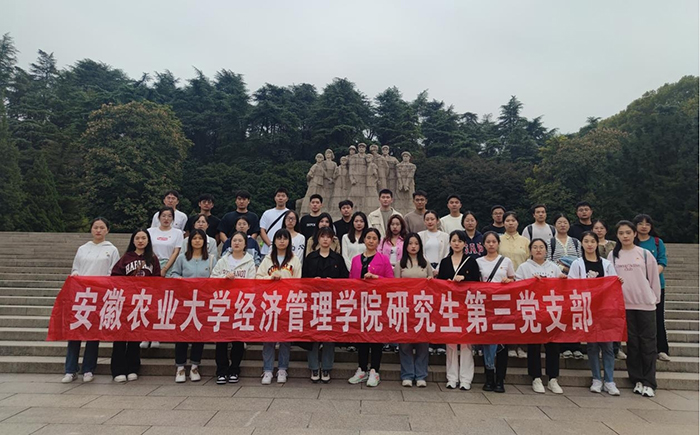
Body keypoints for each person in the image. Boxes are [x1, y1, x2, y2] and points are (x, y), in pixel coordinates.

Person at [63, 217, 119, 384]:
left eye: (102, 227)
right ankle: (70, 369)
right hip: (82, 295)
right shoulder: (83, 249)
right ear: (91, 229)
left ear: (107, 230)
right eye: (95, 227)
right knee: (75, 332)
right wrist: (76, 276)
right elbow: (76, 268)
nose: (98, 230)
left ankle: (88, 368)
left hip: (99, 295)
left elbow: (113, 273)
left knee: (93, 333)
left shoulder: (112, 250)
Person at [608, 221, 661, 398]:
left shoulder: (644, 254)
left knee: (648, 343)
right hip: (625, 305)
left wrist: (654, 299)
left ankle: (649, 382)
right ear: (617, 236)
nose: (625, 236)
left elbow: (654, 279)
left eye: (628, 232)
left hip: (645, 304)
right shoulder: (613, 255)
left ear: (634, 234)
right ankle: (636, 379)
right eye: (621, 233)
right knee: (632, 344)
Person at [568, 231, 621, 396]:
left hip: (605, 309)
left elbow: (613, 283)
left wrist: (618, 282)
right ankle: (596, 379)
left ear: (597, 243)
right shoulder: (577, 264)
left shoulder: (606, 264)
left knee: (608, 346)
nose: (589, 244)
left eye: (592, 241)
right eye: (586, 241)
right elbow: (571, 284)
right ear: (582, 244)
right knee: (592, 346)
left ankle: (610, 380)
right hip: (587, 309)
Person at [515, 238, 567, 394]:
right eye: (535, 247)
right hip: (533, 311)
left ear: (546, 250)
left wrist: (563, 280)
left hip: (551, 311)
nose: (538, 250)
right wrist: (531, 282)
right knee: (534, 345)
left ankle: (552, 378)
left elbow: (563, 288)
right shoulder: (524, 267)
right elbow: (516, 287)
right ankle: (536, 377)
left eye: (541, 247)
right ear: (530, 250)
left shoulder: (554, 267)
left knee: (553, 345)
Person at [110, 229, 161, 383]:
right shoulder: (126, 258)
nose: (140, 241)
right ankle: (118, 369)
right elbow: (115, 276)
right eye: (137, 238)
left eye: (143, 238)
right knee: (120, 336)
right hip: (125, 302)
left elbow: (157, 280)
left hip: (142, 302)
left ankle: (133, 368)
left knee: (135, 336)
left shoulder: (152, 259)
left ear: (148, 240)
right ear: (133, 240)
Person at [347, 228, 394, 387]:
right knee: (361, 337)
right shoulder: (355, 260)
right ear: (364, 240)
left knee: (376, 338)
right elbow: (351, 280)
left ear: (378, 241)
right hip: (360, 303)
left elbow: (391, 281)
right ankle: (361, 369)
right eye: (368, 237)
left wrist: (376, 278)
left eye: (374, 238)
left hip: (377, 303)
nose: (371, 241)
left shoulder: (384, 259)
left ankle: (375, 370)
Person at [302, 227, 349, 383]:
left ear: (332, 239)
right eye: (322, 236)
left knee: (329, 335)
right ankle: (314, 367)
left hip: (331, 303)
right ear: (318, 239)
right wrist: (312, 281)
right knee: (313, 335)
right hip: (313, 302)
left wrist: (333, 283)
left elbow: (345, 279)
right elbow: (303, 280)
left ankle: (327, 367)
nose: (325, 239)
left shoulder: (338, 259)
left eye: (328, 237)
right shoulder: (310, 258)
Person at [256, 229, 302, 384]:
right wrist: (270, 277)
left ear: (289, 241)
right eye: (279, 238)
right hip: (269, 303)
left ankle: (282, 369)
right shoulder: (268, 259)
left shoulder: (295, 260)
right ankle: (268, 370)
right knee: (268, 338)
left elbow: (298, 281)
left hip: (287, 302)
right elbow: (258, 278)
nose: (282, 241)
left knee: (285, 339)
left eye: (285, 238)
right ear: (274, 241)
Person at [437, 230, 481, 390]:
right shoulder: (444, 262)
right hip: (449, 305)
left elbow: (477, 283)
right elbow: (439, 283)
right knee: (450, 343)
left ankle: (466, 379)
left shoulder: (471, 261)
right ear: (450, 242)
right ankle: (451, 377)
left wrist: (465, 279)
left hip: (466, 305)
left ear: (464, 244)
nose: (456, 243)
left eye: (460, 241)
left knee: (466, 343)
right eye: (454, 240)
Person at [211, 231, 256, 384]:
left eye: (240, 241)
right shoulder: (223, 260)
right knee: (221, 340)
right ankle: (221, 371)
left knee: (238, 339)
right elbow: (213, 278)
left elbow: (252, 283)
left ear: (245, 244)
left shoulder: (250, 262)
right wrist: (224, 278)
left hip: (241, 305)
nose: (236, 243)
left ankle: (234, 369)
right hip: (223, 304)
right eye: (234, 240)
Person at [170, 229, 213, 383]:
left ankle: (195, 366)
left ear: (204, 242)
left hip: (202, 302)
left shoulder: (210, 259)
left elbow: (215, 277)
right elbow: (174, 274)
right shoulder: (182, 258)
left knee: (198, 334)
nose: (197, 241)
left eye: (200, 238)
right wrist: (182, 280)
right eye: (194, 238)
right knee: (182, 334)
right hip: (184, 301)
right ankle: (180, 367)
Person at [476, 231, 514, 393]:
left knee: (502, 343)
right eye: (488, 242)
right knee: (487, 343)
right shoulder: (478, 262)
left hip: (503, 306)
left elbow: (513, 279)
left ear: (498, 243)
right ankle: (489, 377)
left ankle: (500, 379)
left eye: (494, 241)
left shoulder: (506, 261)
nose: (491, 244)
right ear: (483, 244)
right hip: (485, 306)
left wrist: (509, 281)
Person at [634, 214, 670, 362]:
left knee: (658, 318)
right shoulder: (632, 242)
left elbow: (662, 261)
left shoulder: (657, 242)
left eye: (647, 224)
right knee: (638, 320)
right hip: (636, 286)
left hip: (656, 285)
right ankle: (642, 350)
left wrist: (651, 276)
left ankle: (662, 349)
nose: (644, 226)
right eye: (640, 223)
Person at [145, 207, 183, 349]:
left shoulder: (177, 233)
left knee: (162, 302)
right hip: (150, 266)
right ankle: (146, 335)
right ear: (158, 217)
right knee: (149, 302)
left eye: (169, 216)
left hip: (169, 267)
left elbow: (176, 251)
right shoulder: (150, 231)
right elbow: (147, 250)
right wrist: (154, 267)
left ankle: (157, 335)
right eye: (163, 216)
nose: (166, 219)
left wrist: (165, 269)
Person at [398, 233, 433, 388]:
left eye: (416, 243)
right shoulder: (400, 264)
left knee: (422, 343)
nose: (413, 246)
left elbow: (433, 285)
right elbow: (394, 287)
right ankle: (407, 374)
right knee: (405, 343)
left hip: (422, 307)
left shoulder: (426, 263)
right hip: (405, 307)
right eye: (410, 243)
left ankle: (421, 375)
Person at [498, 211, 530, 359]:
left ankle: (522, 346)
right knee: (507, 315)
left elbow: (529, 260)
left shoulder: (525, 241)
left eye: (513, 220)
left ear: (517, 223)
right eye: (508, 220)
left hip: (521, 282)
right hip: (503, 283)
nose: (510, 223)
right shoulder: (498, 240)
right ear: (503, 223)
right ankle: (510, 345)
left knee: (522, 314)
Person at [592, 219, 625, 360]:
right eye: (596, 228)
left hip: (612, 284)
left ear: (606, 230)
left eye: (601, 228)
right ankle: (601, 347)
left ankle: (617, 348)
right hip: (596, 286)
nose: (599, 230)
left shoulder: (614, 245)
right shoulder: (590, 243)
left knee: (613, 318)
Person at [259, 188, 290, 256]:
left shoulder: (290, 214)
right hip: (267, 250)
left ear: (287, 198)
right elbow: (262, 230)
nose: (280, 198)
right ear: (275, 198)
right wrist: (270, 244)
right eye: (278, 196)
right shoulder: (267, 213)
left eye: (283, 196)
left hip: (284, 250)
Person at [418, 210, 449, 277]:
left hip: (442, 268)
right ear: (424, 221)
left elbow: (447, 253)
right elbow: (420, 253)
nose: (430, 222)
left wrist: (438, 268)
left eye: (432, 219)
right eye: (427, 220)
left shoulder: (445, 236)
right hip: (424, 268)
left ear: (437, 221)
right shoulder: (420, 235)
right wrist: (430, 269)